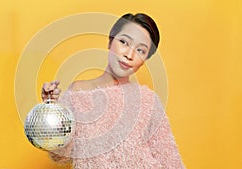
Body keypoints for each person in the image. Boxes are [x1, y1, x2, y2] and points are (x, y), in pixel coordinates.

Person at [41, 13, 185, 168]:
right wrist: (52, 109)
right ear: (110, 42)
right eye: (124, 42)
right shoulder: (77, 93)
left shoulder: (148, 100)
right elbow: (61, 156)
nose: (129, 55)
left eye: (141, 50)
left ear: (145, 61)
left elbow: (169, 158)